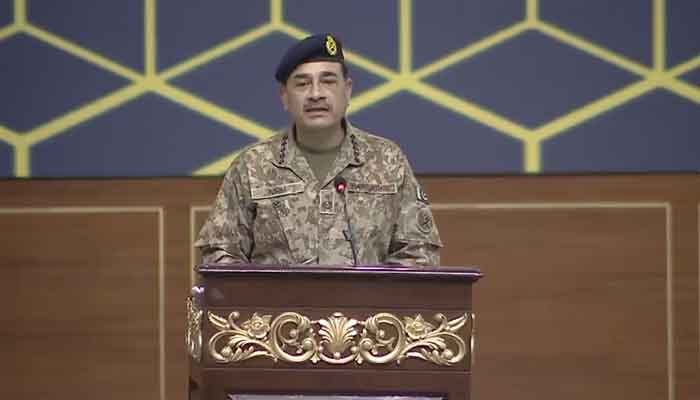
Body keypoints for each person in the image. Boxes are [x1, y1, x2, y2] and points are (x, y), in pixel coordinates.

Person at [195, 33, 442, 266]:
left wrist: (375, 294)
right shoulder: (253, 165)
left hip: (368, 300)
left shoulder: (387, 160)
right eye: (302, 84)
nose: (315, 94)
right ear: (284, 96)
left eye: (328, 81)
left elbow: (419, 253)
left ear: (347, 90)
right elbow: (220, 254)